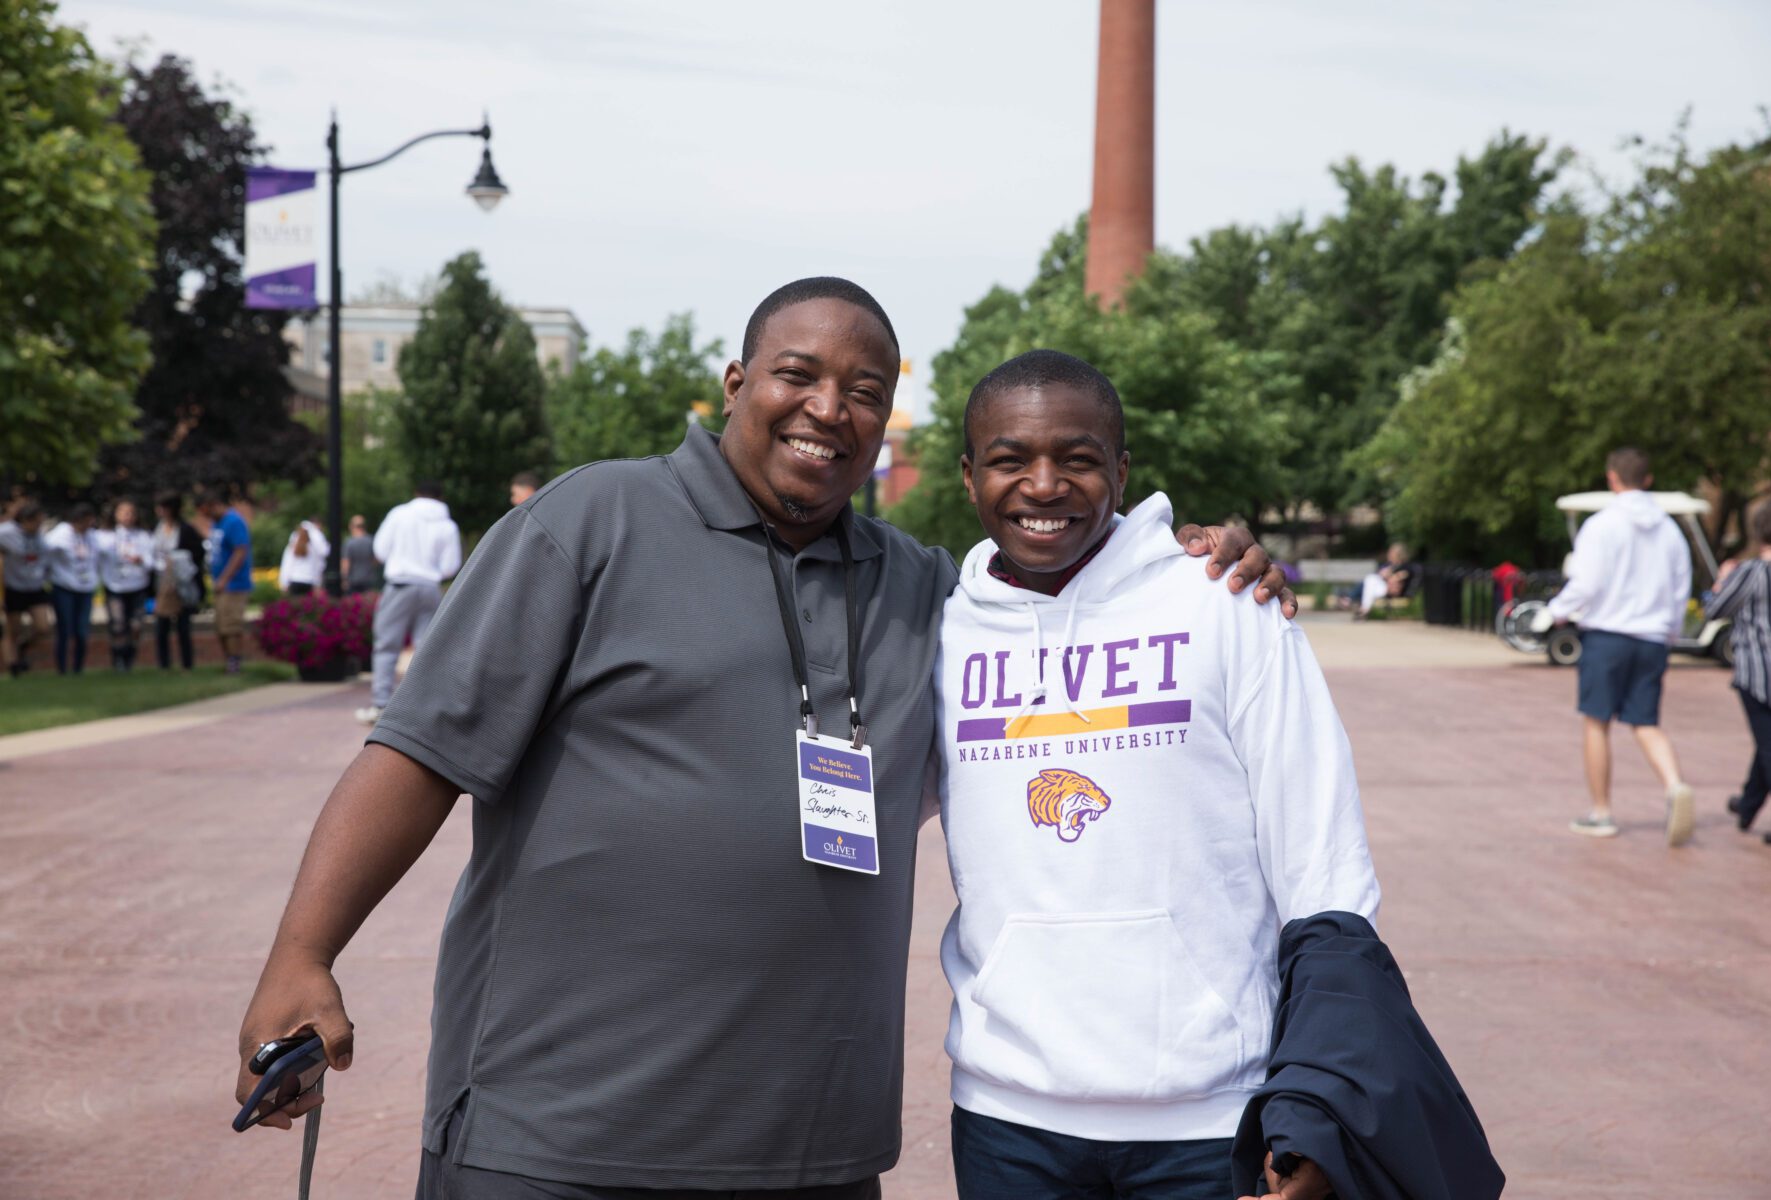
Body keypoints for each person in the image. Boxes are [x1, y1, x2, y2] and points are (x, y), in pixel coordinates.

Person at [234, 278, 1292, 1197]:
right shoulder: (594, 523)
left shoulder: (925, 589)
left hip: (813, 1151)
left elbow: (1069, 582)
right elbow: (419, 756)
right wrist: (303, 954)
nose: (829, 409)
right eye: (799, 374)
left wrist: (1195, 557)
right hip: (558, 1136)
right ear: (736, 383)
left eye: (867, 393)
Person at [936, 351, 1499, 1200]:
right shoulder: (939, 635)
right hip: (1006, 1116)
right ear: (970, 476)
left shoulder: (1226, 602)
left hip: (1212, 1115)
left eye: (1079, 459)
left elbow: (1324, 867)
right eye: (1011, 460)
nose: (1043, 485)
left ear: (1121, 473)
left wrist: (1317, 1105)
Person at [1549, 447, 1695, 844]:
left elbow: (1587, 582)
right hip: (1652, 637)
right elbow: (1681, 586)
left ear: (1612, 478)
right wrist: (1671, 632)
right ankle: (1674, 784)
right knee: (1646, 722)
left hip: (1607, 634)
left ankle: (1601, 811)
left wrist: (1556, 612)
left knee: (1597, 721)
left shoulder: (1602, 524)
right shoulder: (1670, 530)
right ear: (1647, 479)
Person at [1708, 497, 1771, 848]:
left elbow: (1716, 610)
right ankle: (1747, 805)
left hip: (1760, 672)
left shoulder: (1750, 573)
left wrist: (1721, 580)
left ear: (1759, 532)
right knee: (1770, 743)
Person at [353, 483, 462, 725]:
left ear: (416, 493)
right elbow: (450, 566)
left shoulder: (399, 514)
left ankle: (381, 704)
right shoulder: (447, 525)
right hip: (430, 587)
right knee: (427, 648)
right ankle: (422, 708)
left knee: (386, 646)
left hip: (400, 584)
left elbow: (380, 550)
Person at [199, 490, 254, 674]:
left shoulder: (234, 522)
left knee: (231, 625)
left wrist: (224, 579)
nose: (204, 516)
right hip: (221, 584)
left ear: (213, 504)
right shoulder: (217, 523)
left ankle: (234, 663)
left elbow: (240, 551)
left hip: (234, 584)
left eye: (205, 511)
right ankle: (229, 660)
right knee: (221, 626)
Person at [97, 499, 156, 671]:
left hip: (137, 586)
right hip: (115, 586)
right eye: (123, 512)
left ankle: (130, 655)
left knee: (136, 625)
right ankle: (118, 659)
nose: (127, 516)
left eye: (131, 512)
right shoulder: (105, 536)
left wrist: (141, 560)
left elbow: (151, 562)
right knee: (118, 624)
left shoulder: (143, 536)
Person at [152, 493, 208, 672]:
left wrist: (178, 560)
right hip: (164, 582)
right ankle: (164, 664)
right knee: (161, 625)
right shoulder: (159, 528)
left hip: (182, 583)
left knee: (183, 626)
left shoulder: (185, 529)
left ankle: (187, 663)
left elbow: (198, 554)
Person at [43, 503, 100, 675]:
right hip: (64, 587)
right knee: (65, 629)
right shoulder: (60, 534)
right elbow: (44, 550)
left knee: (82, 631)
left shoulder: (92, 536)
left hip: (86, 587)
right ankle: (62, 668)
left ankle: (78, 668)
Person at [0, 500, 54, 677]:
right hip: (14, 587)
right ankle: (13, 666)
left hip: (35, 586)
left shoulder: (39, 535)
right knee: (12, 631)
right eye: (37, 521)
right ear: (25, 520)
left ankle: (23, 647)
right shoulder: (6, 533)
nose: (39, 525)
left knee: (43, 627)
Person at [1357, 542, 1415, 617]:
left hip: (1393, 592)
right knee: (1370, 580)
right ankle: (1364, 609)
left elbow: (1402, 576)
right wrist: (1384, 575)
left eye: (1391, 552)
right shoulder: (1389, 565)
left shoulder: (1405, 566)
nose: (1389, 554)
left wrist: (1389, 575)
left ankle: (1364, 609)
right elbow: (1381, 575)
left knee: (1370, 580)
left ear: (1398, 554)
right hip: (1384, 589)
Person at [277, 516, 330, 597]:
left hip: (295, 580)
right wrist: (318, 581)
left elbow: (287, 565)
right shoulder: (312, 548)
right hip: (309, 581)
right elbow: (317, 565)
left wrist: (284, 582)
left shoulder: (293, 547)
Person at [341, 515, 380, 594]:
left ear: (351, 526)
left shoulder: (349, 543)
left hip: (353, 581)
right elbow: (376, 560)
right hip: (369, 580)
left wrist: (344, 579)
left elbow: (346, 563)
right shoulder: (371, 541)